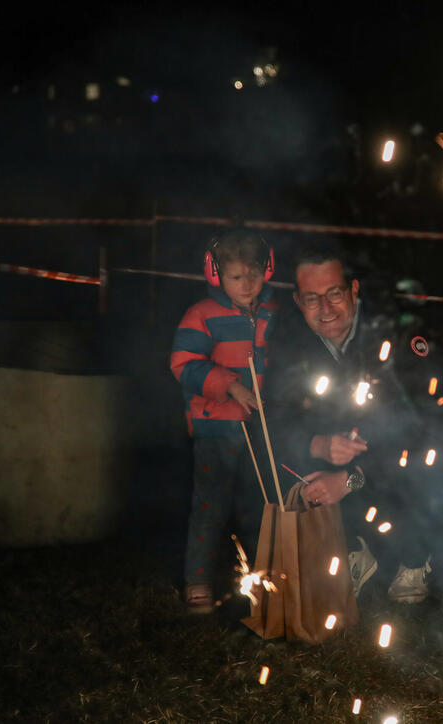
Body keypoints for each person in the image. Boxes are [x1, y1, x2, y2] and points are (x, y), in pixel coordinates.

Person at [266, 245, 434, 603]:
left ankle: (413, 556)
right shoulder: (290, 344)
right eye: (312, 299)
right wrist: (315, 444)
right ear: (298, 301)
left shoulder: (394, 335)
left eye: (334, 294)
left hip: (397, 458)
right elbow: (274, 418)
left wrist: (351, 477)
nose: (325, 309)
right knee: (279, 457)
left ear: (353, 291)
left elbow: (419, 429)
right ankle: (351, 547)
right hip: (332, 457)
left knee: (421, 462)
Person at [170, 230, 279, 614]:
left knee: (257, 504)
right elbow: (183, 365)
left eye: (253, 275)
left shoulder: (272, 313)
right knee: (210, 505)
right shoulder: (201, 316)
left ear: (267, 269)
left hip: (258, 430)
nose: (247, 284)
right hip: (215, 427)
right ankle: (197, 579)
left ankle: (261, 578)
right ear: (216, 275)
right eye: (236, 277)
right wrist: (230, 386)